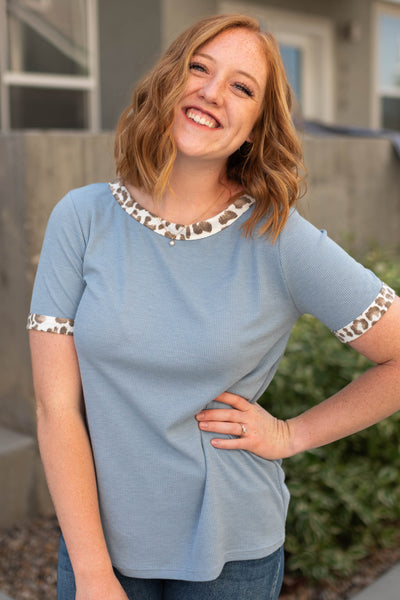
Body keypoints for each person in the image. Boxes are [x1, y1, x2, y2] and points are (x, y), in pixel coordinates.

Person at [27, 13, 400, 600]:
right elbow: (55, 408)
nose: (211, 92)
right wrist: (94, 571)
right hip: (97, 547)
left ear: (256, 127)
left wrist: (290, 435)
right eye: (199, 68)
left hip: (231, 555)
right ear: (170, 82)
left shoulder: (280, 239)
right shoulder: (82, 217)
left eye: (241, 87)